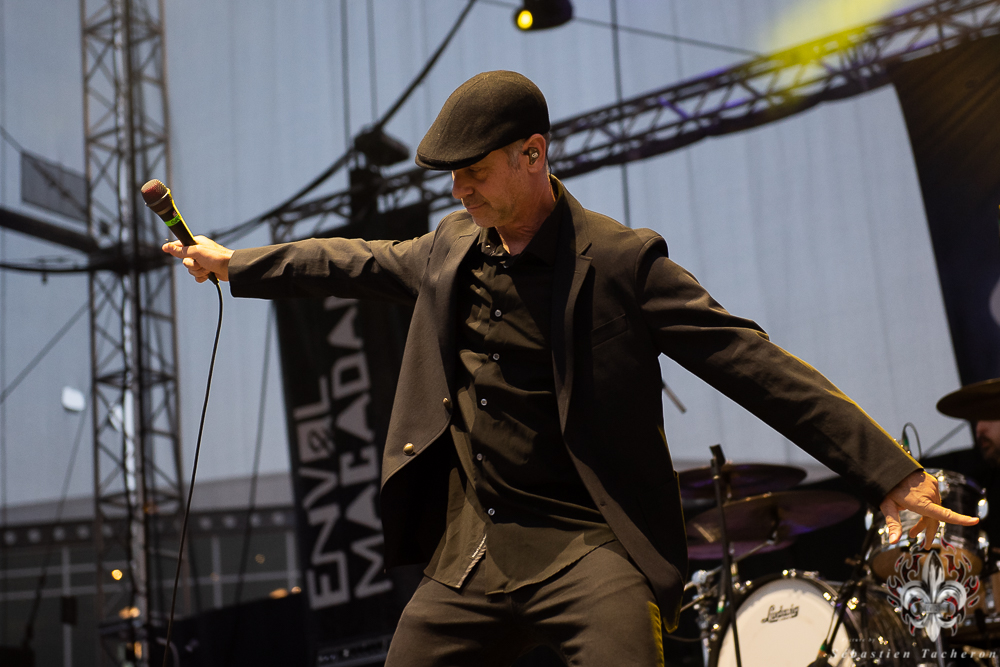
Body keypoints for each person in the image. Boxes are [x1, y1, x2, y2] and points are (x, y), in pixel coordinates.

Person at [163, 71, 977, 666]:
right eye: (452, 176)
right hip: (471, 552)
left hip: (588, 545)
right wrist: (236, 264)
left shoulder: (622, 263)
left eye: (475, 171)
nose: (459, 190)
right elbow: (353, 261)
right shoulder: (451, 246)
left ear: (533, 154)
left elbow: (750, 361)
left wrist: (890, 473)